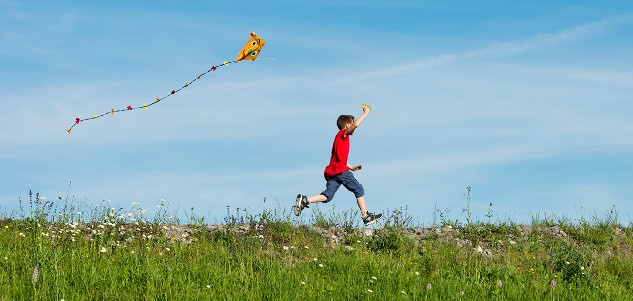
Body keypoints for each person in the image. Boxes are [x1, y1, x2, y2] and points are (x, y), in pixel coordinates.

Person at [293, 104, 382, 226]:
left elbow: (340, 159)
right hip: (340, 171)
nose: (354, 128)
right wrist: (366, 113)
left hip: (332, 172)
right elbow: (355, 124)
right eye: (351, 126)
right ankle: (366, 216)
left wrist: (351, 167)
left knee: (328, 195)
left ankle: (305, 200)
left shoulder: (339, 138)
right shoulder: (343, 134)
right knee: (359, 189)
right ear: (347, 126)